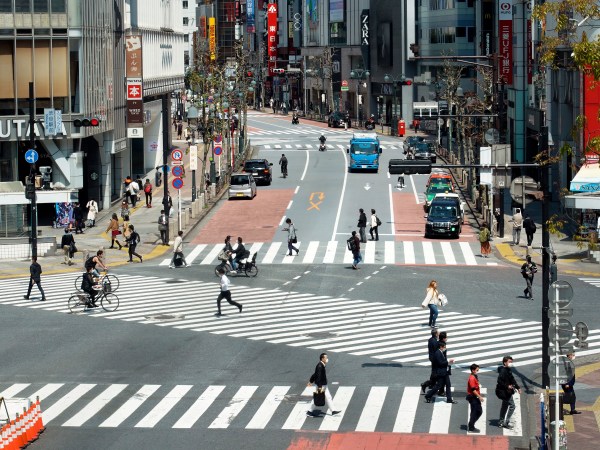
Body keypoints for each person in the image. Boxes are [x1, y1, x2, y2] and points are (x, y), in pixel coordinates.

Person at [307, 353, 341, 417]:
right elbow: (318, 376)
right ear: (322, 359)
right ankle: (309, 411)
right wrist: (319, 387)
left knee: (328, 397)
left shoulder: (322, 365)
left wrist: (311, 381)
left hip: (323, 385)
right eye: (326, 358)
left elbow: (315, 374)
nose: (327, 359)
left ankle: (333, 411)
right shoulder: (320, 366)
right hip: (321, 385)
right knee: (317, 398)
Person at [496, 355, 521, 429]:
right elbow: (499, 381)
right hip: (504, 392)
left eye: (511, 362)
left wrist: (518, 387)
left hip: (505, 391)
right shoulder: (503, 371)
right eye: (509, 362)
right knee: (512, 406)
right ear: (504, 363)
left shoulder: (508, 370)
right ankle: (506, 422)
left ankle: (501, 422)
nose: (511, 363)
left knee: (505, 406)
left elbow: (512, 379)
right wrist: (507, 386)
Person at [467, 363, 484, 433]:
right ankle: (471, 427)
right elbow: (473, 390)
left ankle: (471, 424)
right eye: (477, 370)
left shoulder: (475, 376)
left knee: (478, 411)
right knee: (475, 412)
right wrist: (480, 397)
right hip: (473, 397)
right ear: (473, 370)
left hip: (475, 397)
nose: (478, 371)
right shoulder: (471, 378)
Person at [421, 329, 440, 394]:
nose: (439, 334)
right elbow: (436, 350)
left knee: (434, 373)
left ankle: (429, 385)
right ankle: (427, 384)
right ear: (436, 334)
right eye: (438, 333)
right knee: (435, 374)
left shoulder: (431, 340)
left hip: (432, 358)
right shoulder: (434, 341)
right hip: (434, 359)